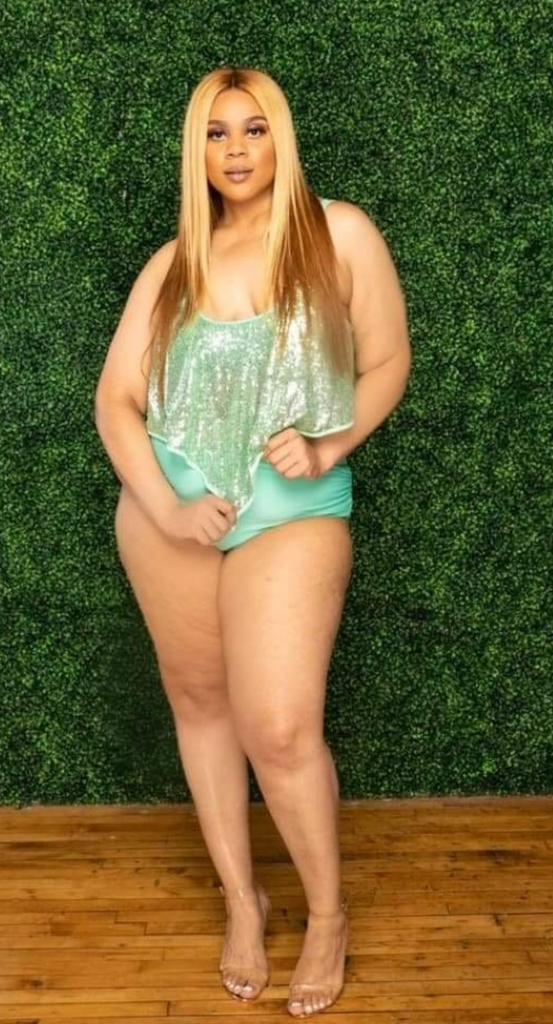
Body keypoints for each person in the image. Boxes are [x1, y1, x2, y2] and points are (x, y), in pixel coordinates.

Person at [94, 65, 411, 1018]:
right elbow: (115, 402)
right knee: (201, 706)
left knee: (277, 727)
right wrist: (165, 508)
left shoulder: (339, 233)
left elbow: (386, 360)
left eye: (254, 128)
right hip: (173, 518)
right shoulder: (174, 263)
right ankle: (243, 900)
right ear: (196, 152)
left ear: (282, 139)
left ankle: (327, 916)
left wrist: (328, 445)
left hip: (292, 512)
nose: (235, 150)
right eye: (215, 133)